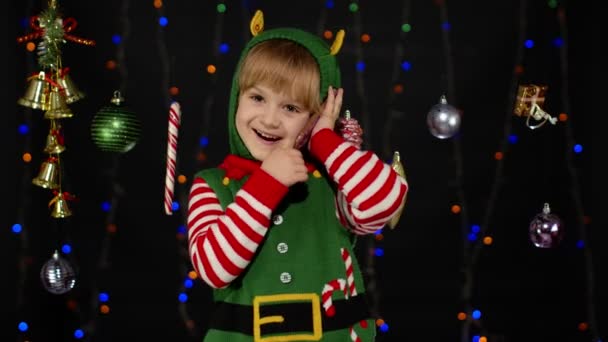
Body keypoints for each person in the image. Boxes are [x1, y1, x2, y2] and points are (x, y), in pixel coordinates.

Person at [186, 9, 408, 342]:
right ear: (237, 98)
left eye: (291, 108)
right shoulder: (213, 184)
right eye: (257, 97)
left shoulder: (333, 183)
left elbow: (383, 204)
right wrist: (267, 184)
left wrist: (324, 141)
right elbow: (215, 269)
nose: (270, 119)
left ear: (317, 114)